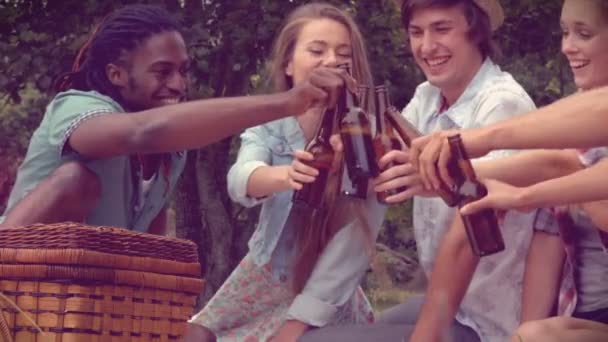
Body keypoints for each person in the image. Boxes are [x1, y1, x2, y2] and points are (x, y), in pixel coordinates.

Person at [0, 4, 354, 233]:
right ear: (117, 74)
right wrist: (289, 102)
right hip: (21, 281)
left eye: (183, 71)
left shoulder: (172, 154)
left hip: (87, 304)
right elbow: (142, 133)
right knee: (76, 179)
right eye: (162, 72)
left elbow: (149, 244)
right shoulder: (75, 106)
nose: (179, 84)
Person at [302, 0, 536, 341]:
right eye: (416, 32)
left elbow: (475, 216)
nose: (426, 47)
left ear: (476, 32)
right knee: (336, 331)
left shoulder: (501, 102)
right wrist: (351, 154)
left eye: (442, 29)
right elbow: (390, 159)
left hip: (490, 319)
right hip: (457, 305)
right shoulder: (427, 96)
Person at [184, 3, 386, 342]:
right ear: (289, 65)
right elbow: (241, 178)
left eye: (343, 53)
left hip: (324, 284)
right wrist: (286, 176)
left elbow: (353, 244)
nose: (332, 61)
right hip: (264, 274)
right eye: (317, 50)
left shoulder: (368, 137)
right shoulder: (271, 124)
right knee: (194, 334)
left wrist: (299, 323)